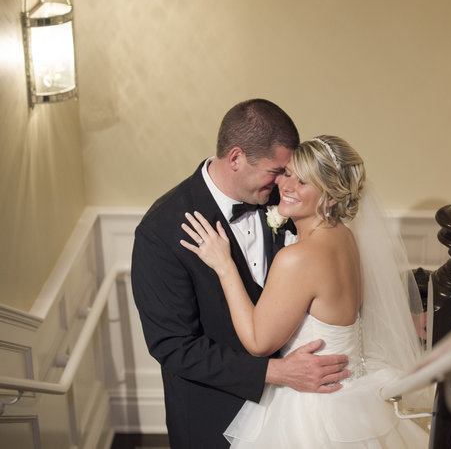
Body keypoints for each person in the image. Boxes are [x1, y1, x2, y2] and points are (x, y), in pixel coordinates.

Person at [181, 135, 430, 448]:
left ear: (329, 198)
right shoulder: (345, 238)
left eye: (303, 182)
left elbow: (258, 343)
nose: (286, 186)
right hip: (354, 394)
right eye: (287, 173)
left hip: (312, 408)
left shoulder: (298, 258)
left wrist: (225, 266)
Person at [131, 100, 350, 449]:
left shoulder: (288, 204)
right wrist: (276, 373)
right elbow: (173, 346)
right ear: (236, 158)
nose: (286, 183)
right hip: (212, 415)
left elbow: (327, 272)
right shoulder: (161, 230)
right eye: (277, 171)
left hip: (296, 413)